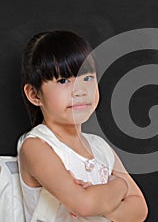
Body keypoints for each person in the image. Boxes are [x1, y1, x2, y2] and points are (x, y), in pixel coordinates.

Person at [17, 30, 148, 222]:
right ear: (34, 95)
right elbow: (84, 205)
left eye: (87, 78)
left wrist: (102, 204)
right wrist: (120, 186)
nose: (80, 91)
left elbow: (139, 210)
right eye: (63, 81)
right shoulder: (36, 146)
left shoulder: (99, 146)